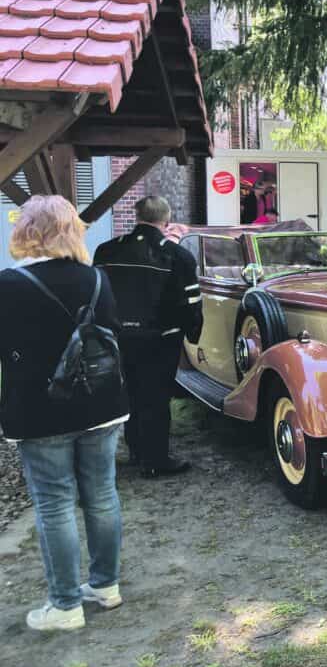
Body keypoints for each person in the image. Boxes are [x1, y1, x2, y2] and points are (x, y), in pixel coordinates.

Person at [0, 195, 128, 631]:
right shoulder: (97, 279)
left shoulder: (8, 285)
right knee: (102, 495)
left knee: (54, 504)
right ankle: (106, 586)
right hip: (102, 404)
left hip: (41, 412)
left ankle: (66, 605)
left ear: (27, 231)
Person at [94, 196, 203, 477]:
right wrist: (192, 333)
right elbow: (191, 302)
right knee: (155, 398)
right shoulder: (178, 256)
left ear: (136, 215)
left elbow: (97, 295)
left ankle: (135, 450)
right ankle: (155, 460)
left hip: (119, 338)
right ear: (166, 220)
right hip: (160, 339)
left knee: (129, 392)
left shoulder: (106, 251)